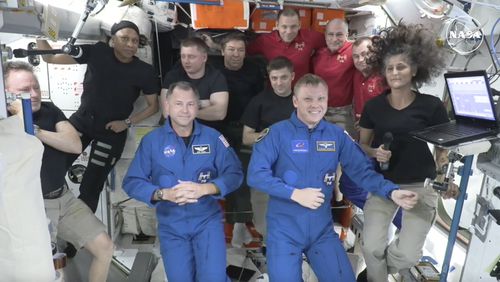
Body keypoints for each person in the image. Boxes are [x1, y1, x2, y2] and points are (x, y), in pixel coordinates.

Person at [247, 73, 419, 281]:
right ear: (295, 101)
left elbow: (362, 172)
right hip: (284, 231)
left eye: (321, 99)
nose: (315, 105)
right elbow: (256, 175)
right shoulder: (276, 134)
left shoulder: (335, 135)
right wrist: (294, 194)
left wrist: (391, 191)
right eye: (308, 99)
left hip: (321, 231)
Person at [358, 22, 458, 281]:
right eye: (389, 68)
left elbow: (444, 147)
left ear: (414, 69)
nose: (395, 72)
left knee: (409, 256)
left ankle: (374, 273)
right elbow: (362, 146)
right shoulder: (373, 107)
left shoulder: (431, 106)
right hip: (383, 186)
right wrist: (374, 152)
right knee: (371, 247)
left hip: (420, 186)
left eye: (401, 66)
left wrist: (444, 177)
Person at [123, 81, 243, 281]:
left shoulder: (213, 138)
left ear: (197, 107)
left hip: (207, 222)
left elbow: (235, 173)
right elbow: (132, 182)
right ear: (167, 106)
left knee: (214, 278)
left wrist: (206, 188)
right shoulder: (152, 142)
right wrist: (163, 194)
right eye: (179, 104)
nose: (185, 110)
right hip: (172, 225)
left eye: (190, 104)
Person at [36, 20, 160, 214]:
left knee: (91, 187)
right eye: (125, 39)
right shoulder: (98, 52)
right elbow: (51, 58)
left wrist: (126, 123)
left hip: (111, 133)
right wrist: (40, 32)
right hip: (82, 121)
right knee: (51, 167)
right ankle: (48, 219)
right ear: (112, 40)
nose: (130, 44)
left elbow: (154, 106)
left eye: (135, 41)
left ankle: (77, 241)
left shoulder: (144, 71)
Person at [5, 61, 114, 282]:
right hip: (34, 206)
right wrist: (20, 118)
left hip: (64, 198)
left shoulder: (50, 110)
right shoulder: (4, 123)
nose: (34, 94)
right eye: (25, 91)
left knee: (105, 248)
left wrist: (34, 129)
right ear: (6, 94)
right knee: (48, 270)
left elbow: (74, 144)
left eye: (35, 87)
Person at [210, 32, 266, 246]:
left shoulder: (253, 70)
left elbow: (259, 100)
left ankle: (240, 223)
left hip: (245, 130)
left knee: (242, 176)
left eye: (240, 50)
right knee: (227, 175)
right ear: (222, 51)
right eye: (231, 50)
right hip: (219, 131)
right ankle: (233, 223)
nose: (236, 54)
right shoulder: (213, 70)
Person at [240, 56, 296, 239]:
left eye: (283, 77)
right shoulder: (259, 101)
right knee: (264, 224)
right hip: (265, 169)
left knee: (293, 222)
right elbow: (246, 137)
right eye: (274, 78)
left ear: (292, 76)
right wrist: (271, 137)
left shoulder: (302, 100)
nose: (278, 83)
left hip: (296, 169)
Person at [203, 8, 325, 84]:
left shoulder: (310, 36)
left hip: (302, 92)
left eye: (293, 26)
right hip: (274, 92)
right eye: (284, 26)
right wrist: (216, 46)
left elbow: (333, 43)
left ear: (299, 25)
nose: (288, 31)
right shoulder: (265, 40)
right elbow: (243, 51)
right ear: (277, 25)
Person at [161, 37, 229, 129]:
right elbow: (167, 112)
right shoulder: (172, 76)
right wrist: (203, 104)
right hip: (177, 132)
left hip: (208, 131)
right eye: (183, 56)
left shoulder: (216, 77)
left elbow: (220, 113)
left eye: (191, 56)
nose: (186, 61)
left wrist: (181, 107)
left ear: (204, 57)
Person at [312, 18, 356, 137]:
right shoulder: (319, 53)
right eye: (331, 34)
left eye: (339, 35)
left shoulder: (353, 51)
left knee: (345, 148)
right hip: (318, 110)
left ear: (347, 35)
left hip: (342, 112)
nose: (334, 39)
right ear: (325, 35)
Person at [351, 36, 387, 127]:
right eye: (356, 56)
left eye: (364, 54)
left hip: (379, 132)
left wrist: (367, 122)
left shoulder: (385, 78)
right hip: (361, 133)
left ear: (374, 53)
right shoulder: (356, 74)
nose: (360, 60)